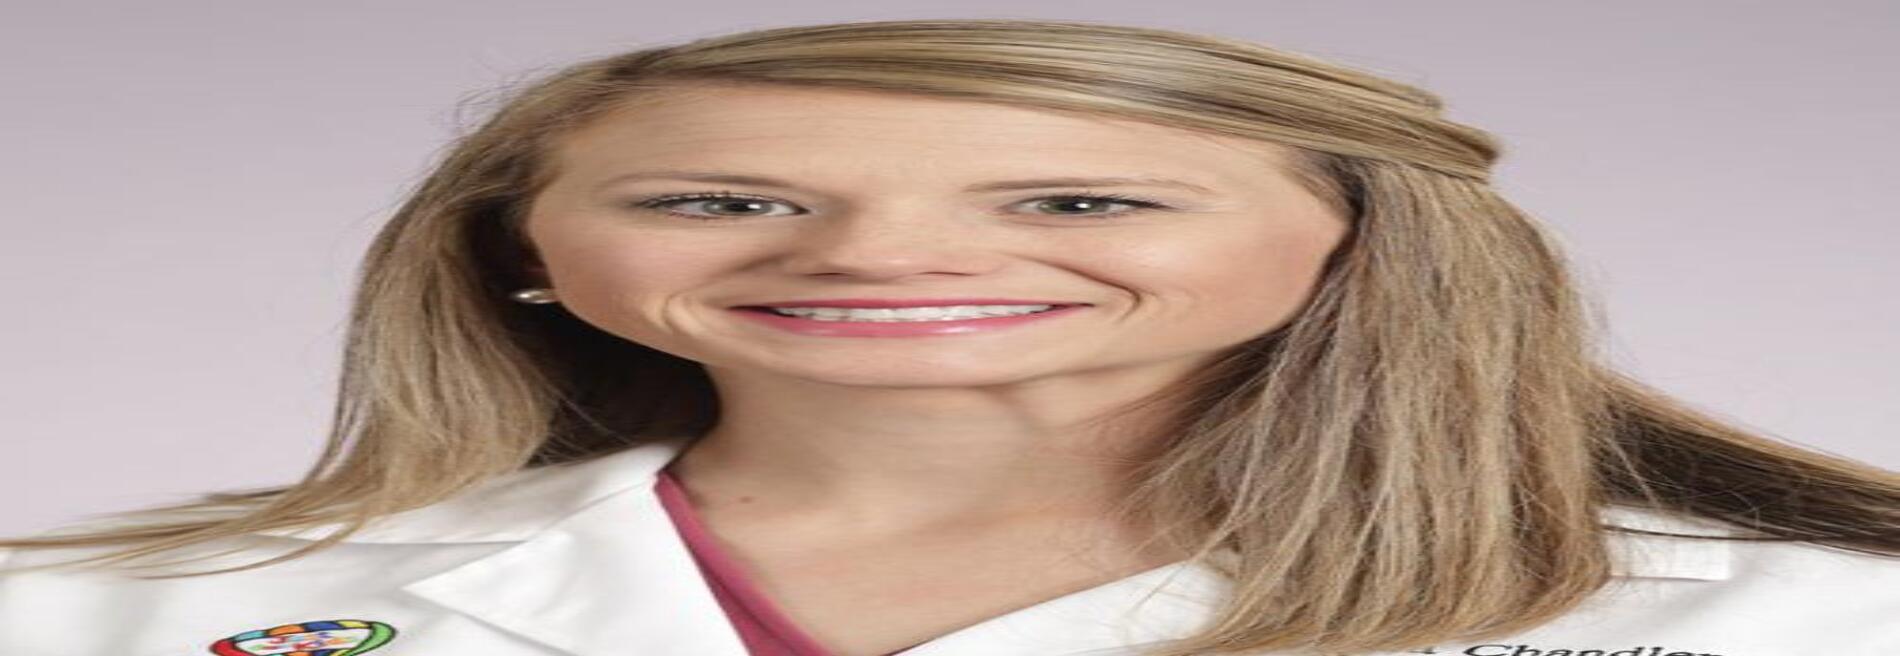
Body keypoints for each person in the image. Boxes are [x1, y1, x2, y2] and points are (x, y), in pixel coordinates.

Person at [2, 17, 1897, 656]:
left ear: (1363, 244)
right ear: (522, 248)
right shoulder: (93, 614)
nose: (875, 257)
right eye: (718, 200)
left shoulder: (1804, 626)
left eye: (1077, 203)